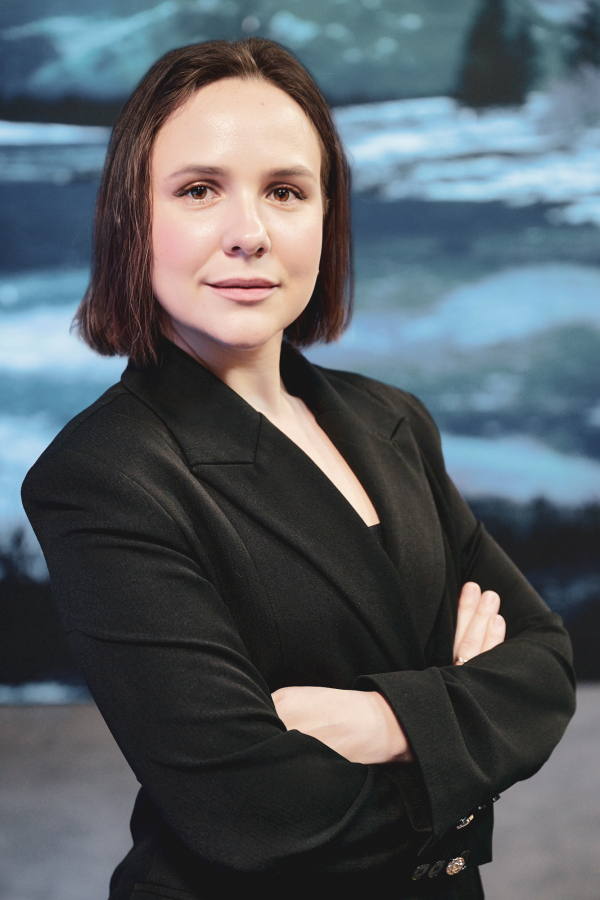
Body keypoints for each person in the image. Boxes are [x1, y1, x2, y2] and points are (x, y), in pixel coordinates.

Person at [21, 38, 575, 900]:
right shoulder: (103, 474)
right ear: (133, 216)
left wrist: (382, 722)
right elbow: (253, 811)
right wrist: (464, 732)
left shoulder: (393, 420)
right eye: (199, 190)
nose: (249, 234)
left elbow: (543, 667)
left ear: (326, 216)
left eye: (285, 191)